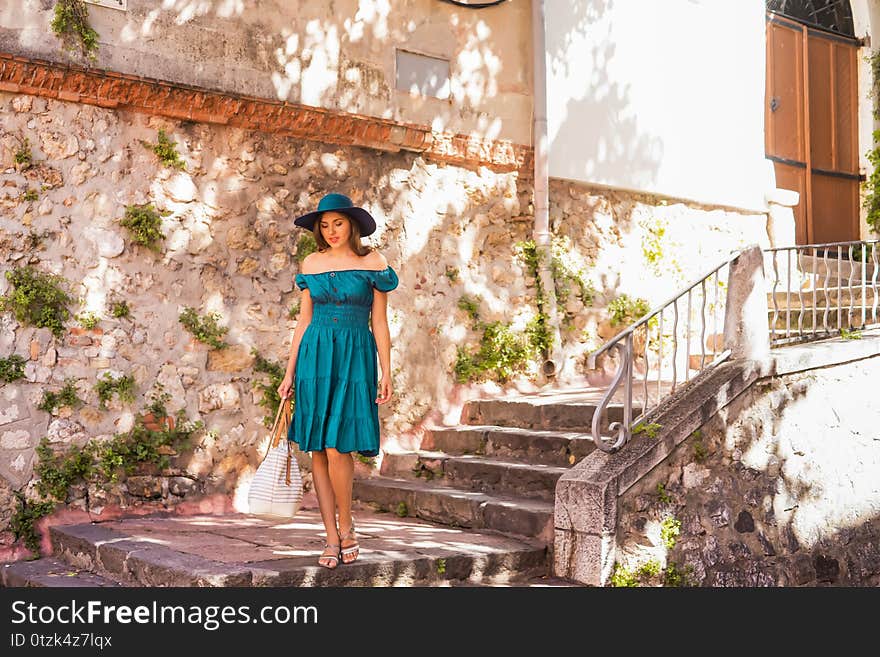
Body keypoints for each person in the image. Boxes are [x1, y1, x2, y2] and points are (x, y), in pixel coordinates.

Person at [278, 193, 399, 569]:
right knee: (317, 448)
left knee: (337, 448)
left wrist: (386, 370)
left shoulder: (374, 263)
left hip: (353, 356)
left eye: (338, 223)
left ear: (353, 226)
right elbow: (303, 321)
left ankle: (347, 526)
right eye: (325, 225)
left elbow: (379, 322)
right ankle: (331, 537)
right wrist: (288, 371)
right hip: (315, 355)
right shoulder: (311, 263)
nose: (331, 231)